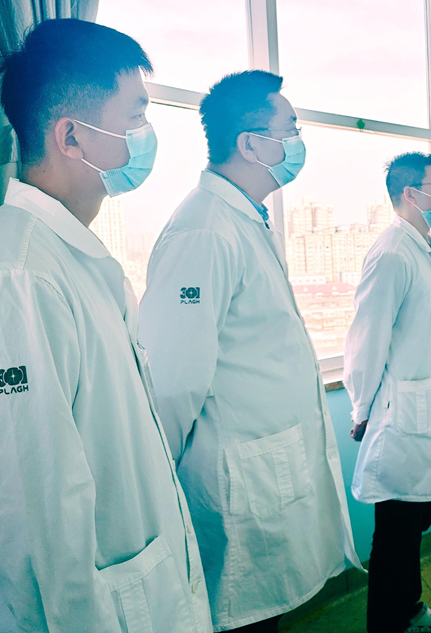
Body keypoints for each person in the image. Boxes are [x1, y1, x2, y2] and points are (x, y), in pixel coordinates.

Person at [0, 19, 212, 632]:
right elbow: (36, 510)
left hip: (143, 580)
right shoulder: (22, 276)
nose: (145, 135)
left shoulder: (77, 257)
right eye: (135, 115)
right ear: (71, 136)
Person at [137, 70, 357, 632]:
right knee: (243, 617)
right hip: (237, 475)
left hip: (263, 465)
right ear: (251, 144)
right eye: (291, 129)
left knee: (262, 615)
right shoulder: (204, 231)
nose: (298, 142)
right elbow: (171, 381)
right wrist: (164, 484)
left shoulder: (245, 219)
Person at [343, 152, 431, 633]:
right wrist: (360, 406)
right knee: (396, 529)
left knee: (414, 521)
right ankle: (388, 623)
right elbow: (366, 338)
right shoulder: (392, 252)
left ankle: (409, 612)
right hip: (399, 414)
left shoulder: (428, 248)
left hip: (424, 405)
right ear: (411, 193)